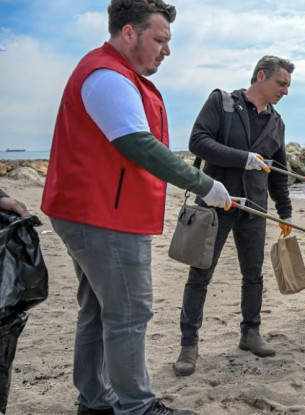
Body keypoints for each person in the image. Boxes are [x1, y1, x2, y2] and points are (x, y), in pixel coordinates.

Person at [40, 1, 231, 414]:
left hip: (89, 210)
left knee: (97, 308)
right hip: (102, 215)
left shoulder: (113, 72)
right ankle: (138, 407)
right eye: (159, 40)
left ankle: (94, 400)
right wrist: (205, 184)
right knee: (130, 311)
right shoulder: (106, 76)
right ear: (129, 33)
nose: (166, 51)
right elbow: (137, 143)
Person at [173, 55, 294, 376]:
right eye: (281, 83)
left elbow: (279, 173)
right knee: (200, 274)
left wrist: (285, 213)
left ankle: (250, 332)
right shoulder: (222, 103)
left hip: (254, 209)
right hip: (215, 204)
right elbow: (198, 142)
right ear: (260, 76)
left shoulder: (277, 122)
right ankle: (189, 344)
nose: (285, 91)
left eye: (288, 86)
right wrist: (245, 159)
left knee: (253, 274)